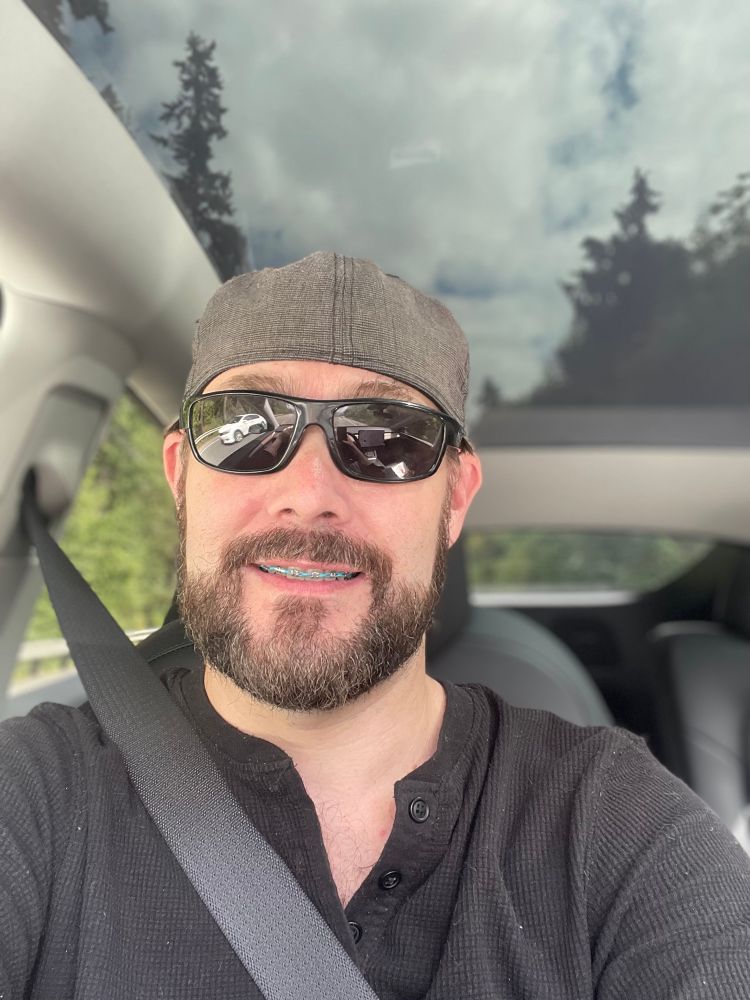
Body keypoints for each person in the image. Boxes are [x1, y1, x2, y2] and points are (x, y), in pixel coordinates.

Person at [1, 251, 749, 999]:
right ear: (180, 476)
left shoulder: (616, 824)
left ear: (456, 500)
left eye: (388, 439)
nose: (308, 495)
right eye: (246, 429)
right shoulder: (35, 793)